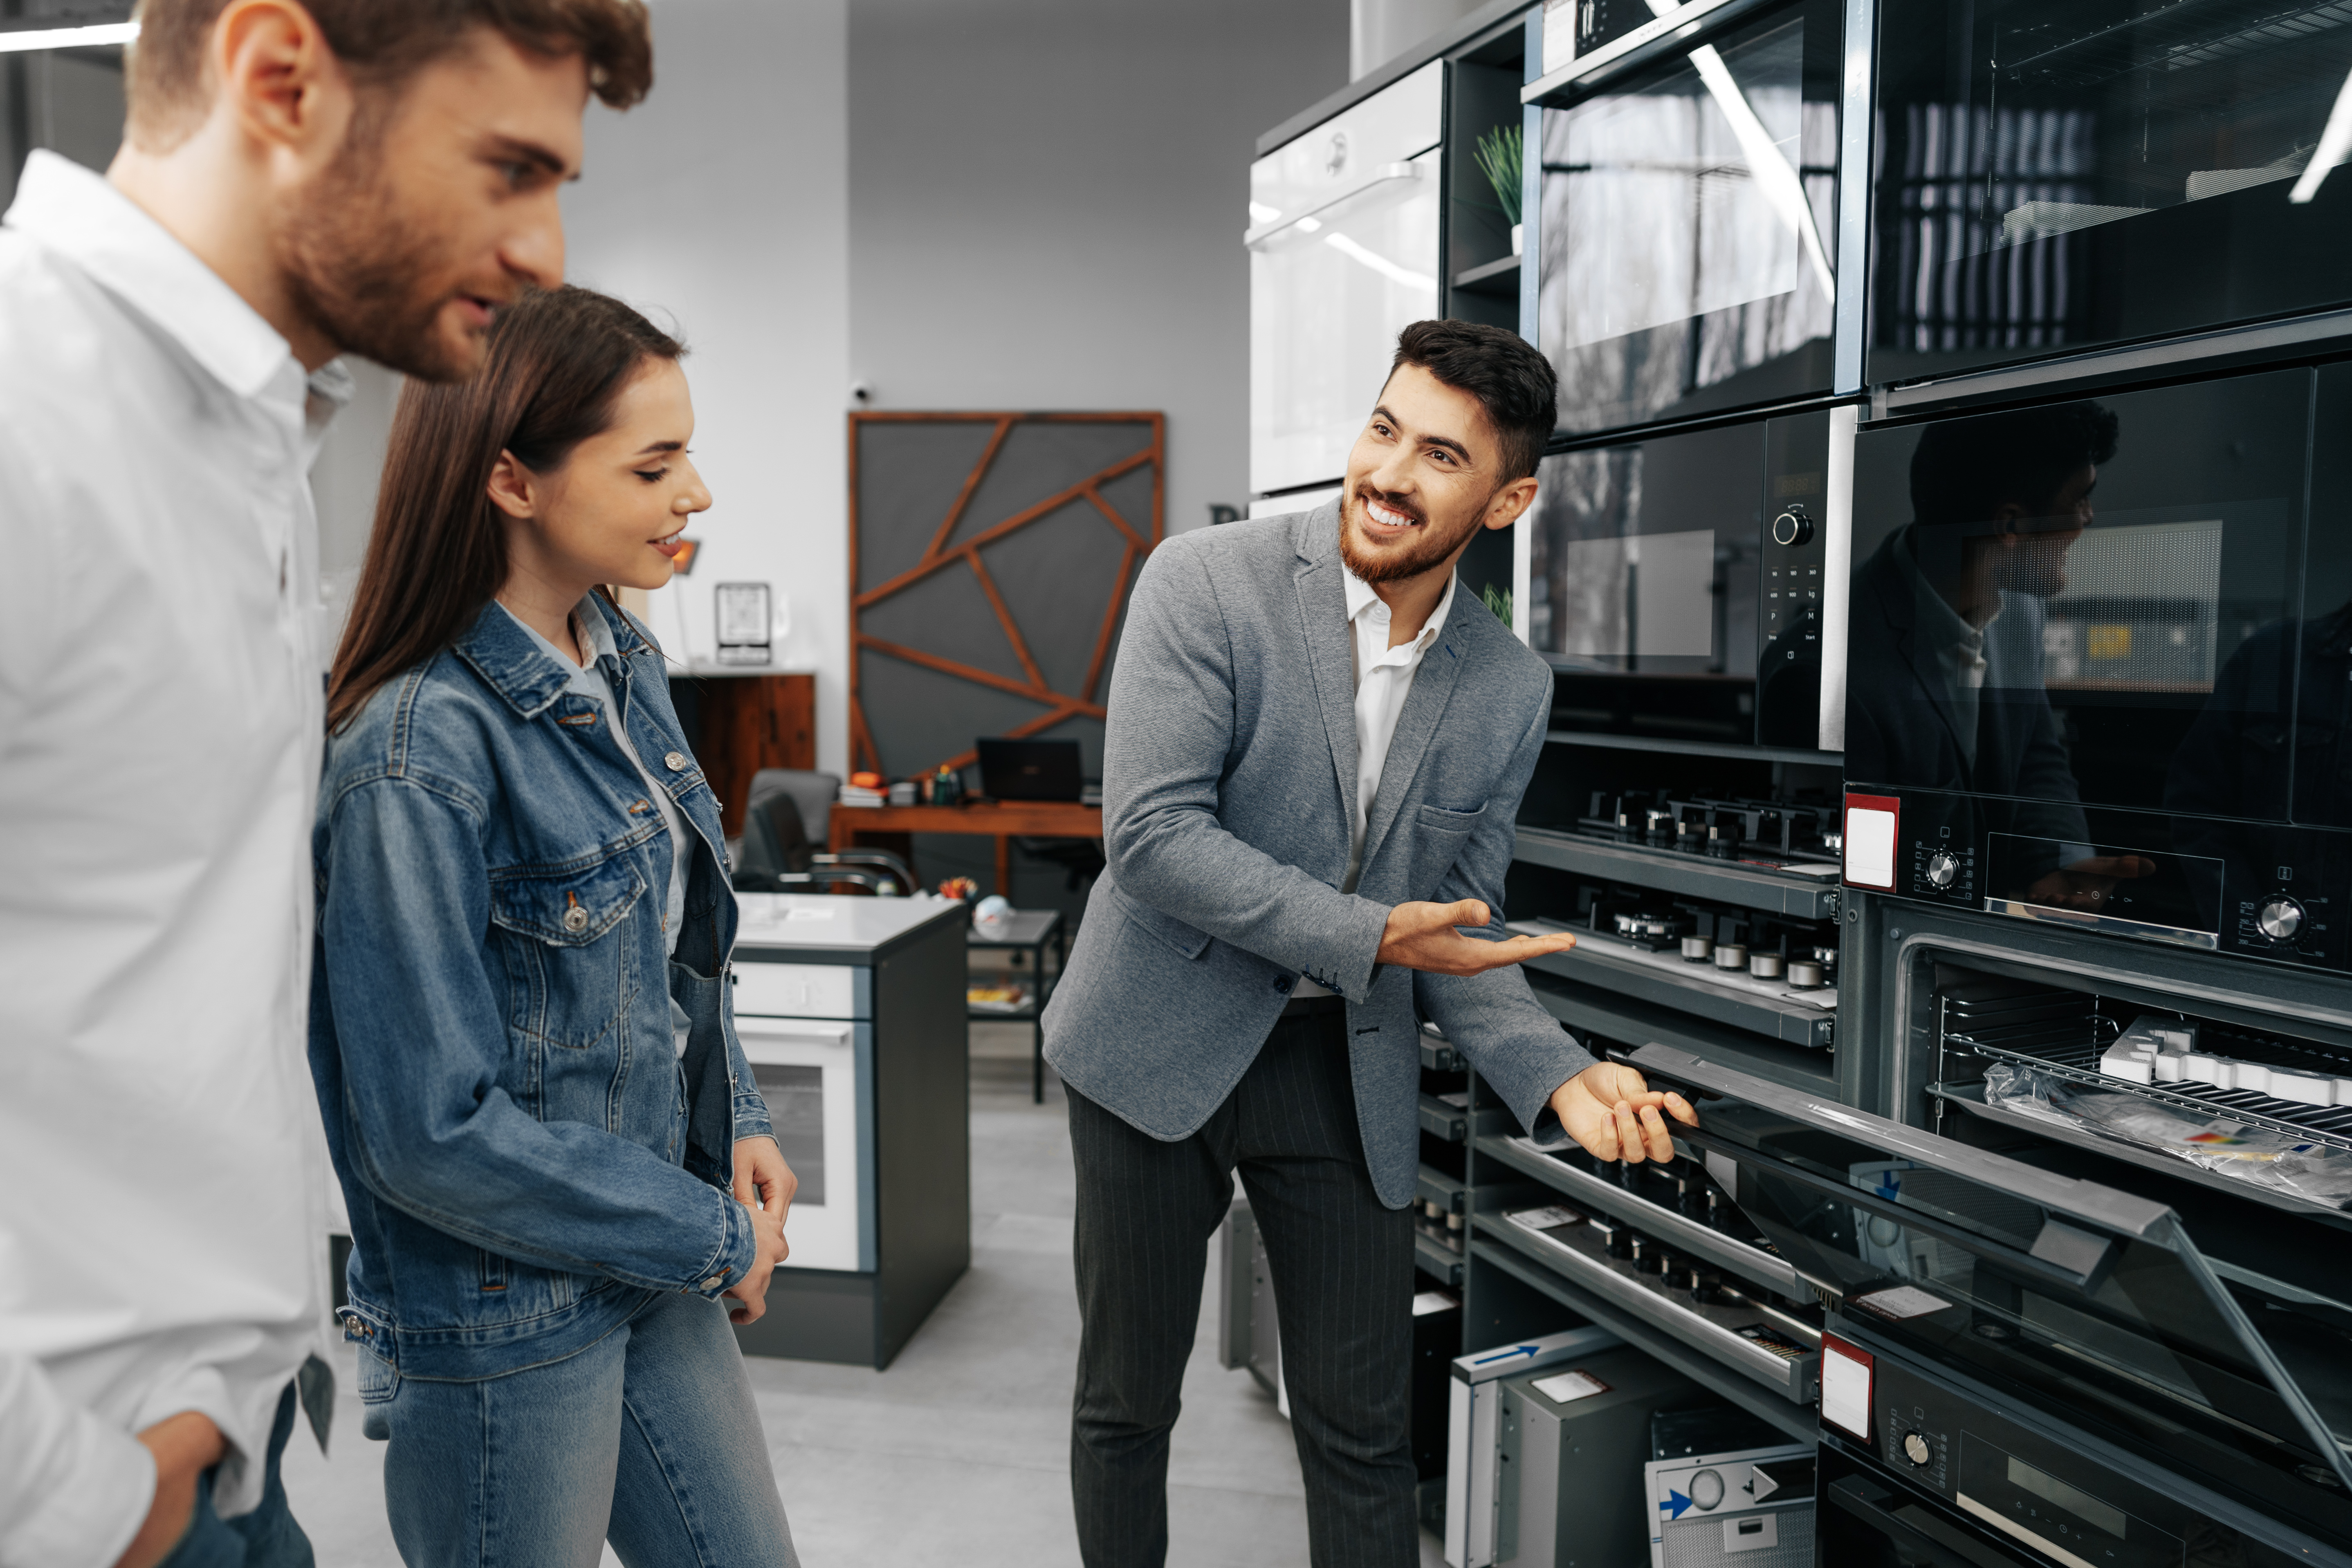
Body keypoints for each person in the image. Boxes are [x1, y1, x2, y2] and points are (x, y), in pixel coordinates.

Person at [0, 3, 651, 1566]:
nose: (543, 243)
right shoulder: (33, 409)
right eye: (506, 168)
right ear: (277, 76)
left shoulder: (241, 442)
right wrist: (77, 1494)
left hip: (221, 1439)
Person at [1042, 318, 1701, 1568]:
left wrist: (1563, 1071)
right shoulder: (1204, 580)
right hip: (1149, 1040)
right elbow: (1154, 838)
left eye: (1440, 456)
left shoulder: (1509, 686)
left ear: (1507, 499)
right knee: (1127, 1402)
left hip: (1336, 1062)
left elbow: (1461, 923)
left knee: (1361, 1427)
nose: (1389, 473)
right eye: (1385, 428)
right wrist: (1369, 932)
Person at [311, 285, 799, 1568]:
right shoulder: (413, 753)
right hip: (505, 1313)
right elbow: (429, 1132)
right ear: (513, 482)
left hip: (646, 1254)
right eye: (655, 463)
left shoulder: (620, 660)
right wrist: (711, 1232)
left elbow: (671, 958)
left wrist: (735, 1114)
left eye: (686, 453)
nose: (695, 493)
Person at [1839, 399, 2152, 909]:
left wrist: (2064, 864)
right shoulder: (1845, 664)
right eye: (2079, 500)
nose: (2088, 518)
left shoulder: (2020, 614)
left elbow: (2034, 752)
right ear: (2009, 527)